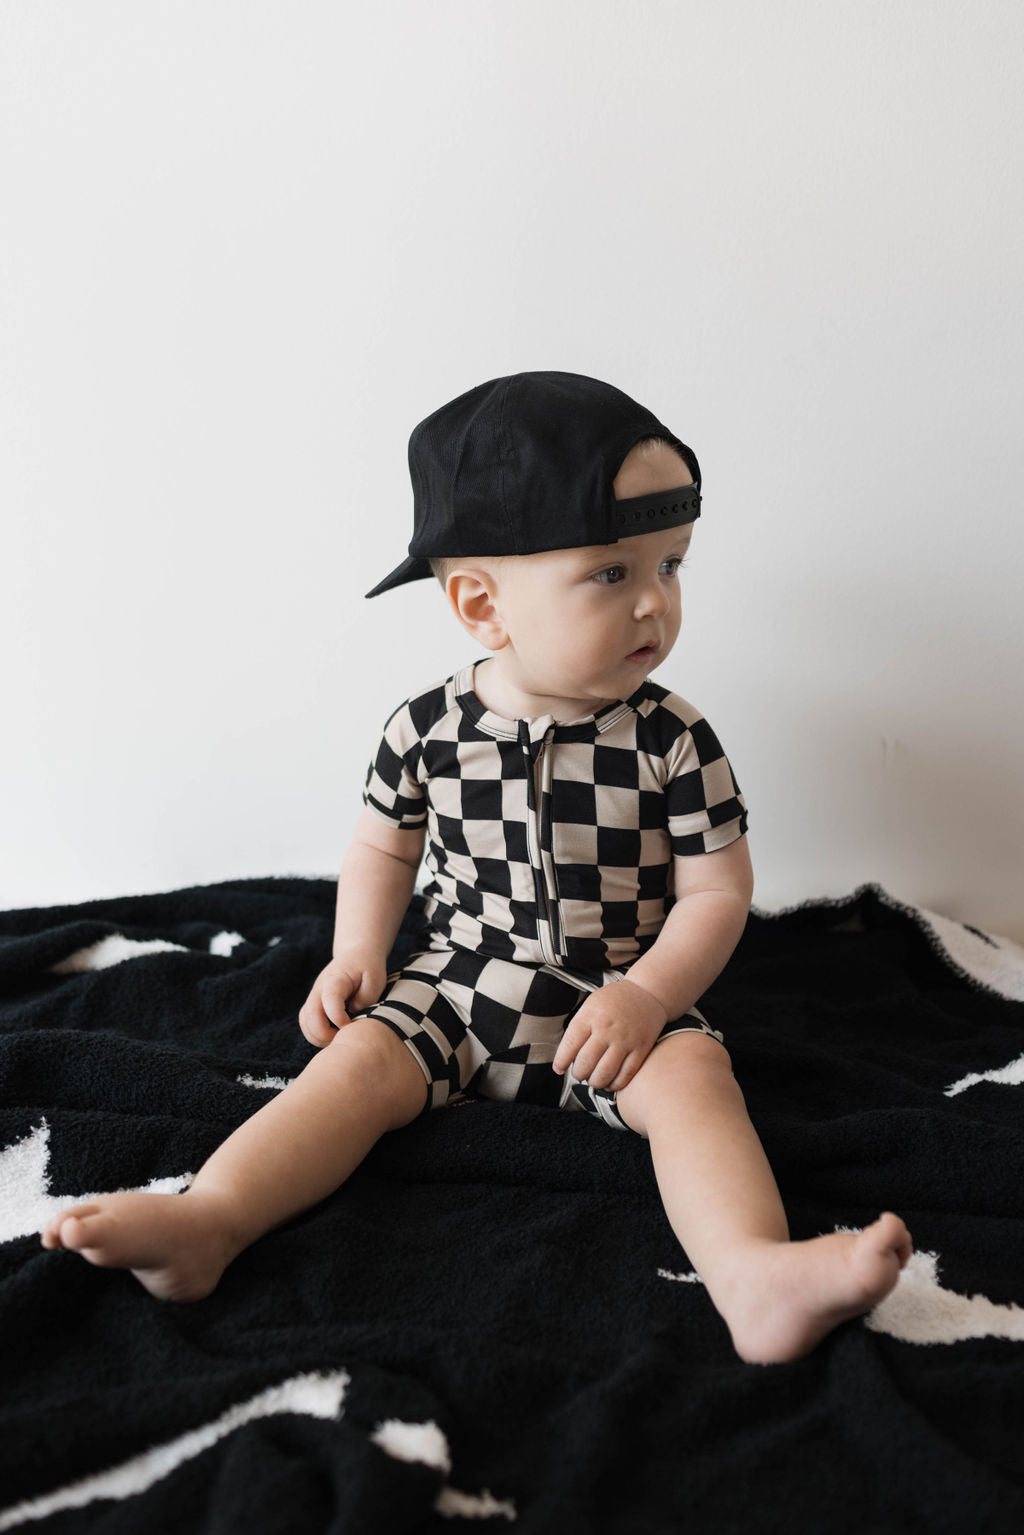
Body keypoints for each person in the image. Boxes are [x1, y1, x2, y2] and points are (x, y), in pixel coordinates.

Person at [42, 371, 911, 1363]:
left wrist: (647, 995)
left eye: (670, 565)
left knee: (695, 1077)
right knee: (355, 1065)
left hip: (609, 1000)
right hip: (455, 989)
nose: (656, 606)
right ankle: (214, 1216)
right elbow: (381, 844)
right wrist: (357, 950)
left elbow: (719, 888)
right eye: (613, 574)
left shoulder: (672, 738)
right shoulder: (424, 729)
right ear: (480, 603)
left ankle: (752, 1272)